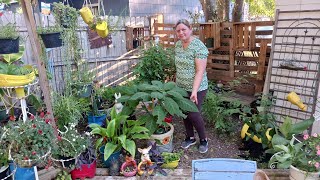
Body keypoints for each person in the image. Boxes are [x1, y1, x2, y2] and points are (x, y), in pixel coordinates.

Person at [174, 19, 209, 153]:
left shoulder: (199, 47)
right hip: (181, 86)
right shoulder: (178, 45)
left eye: (184, 29)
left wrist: (194, 91)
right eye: (178, 31)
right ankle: (190, 137)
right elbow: (179, 66)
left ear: (190, 29)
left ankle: (204, 139)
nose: (181, 33)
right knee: (184, 113)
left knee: (193, 113)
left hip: (197, 88)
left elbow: (200, 71)